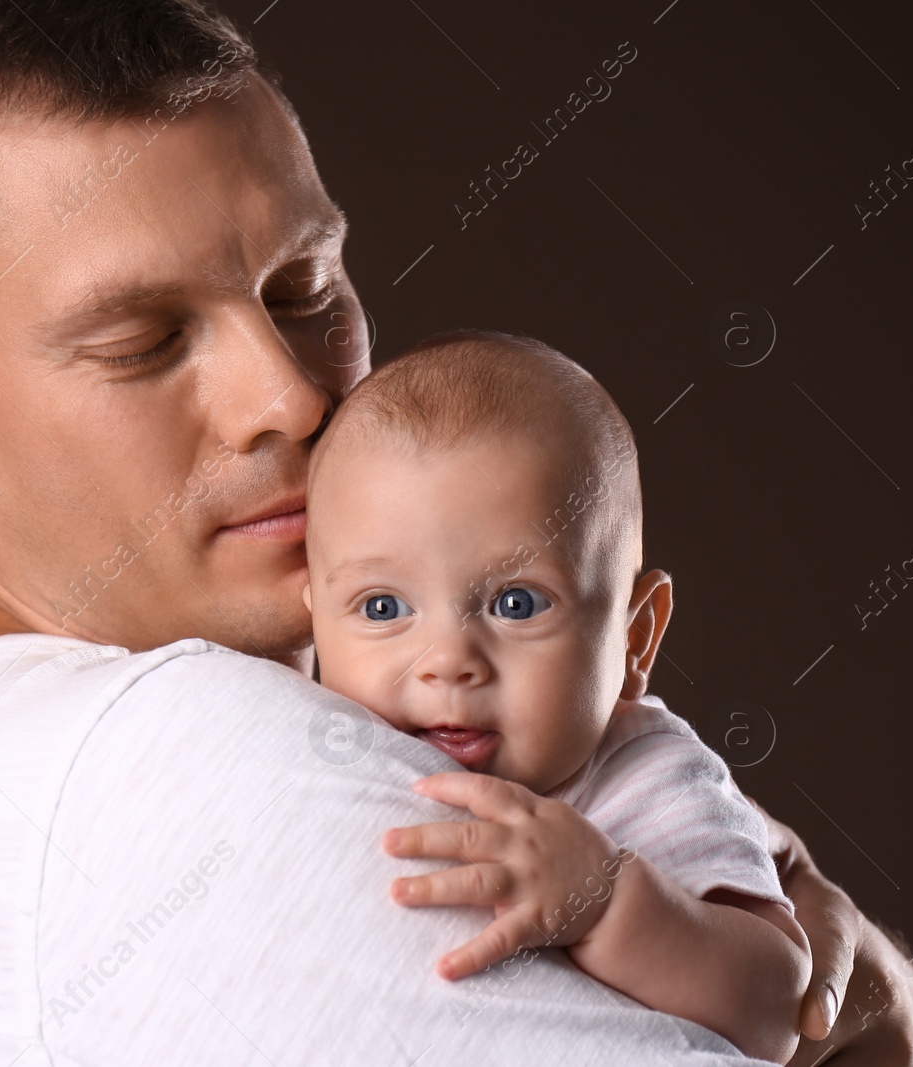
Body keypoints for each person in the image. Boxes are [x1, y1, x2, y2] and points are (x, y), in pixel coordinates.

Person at [0, 1, 913, 1064]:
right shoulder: (185, 761)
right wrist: (873, 998)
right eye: (141, 340)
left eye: (302, 286)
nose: (291, 398)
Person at [303, 331, 809, 1062]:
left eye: (516, 602)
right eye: (383, 607)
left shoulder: (650, 776)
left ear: (635, 640)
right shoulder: (315, 745)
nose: (448, 662)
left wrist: (609, 900)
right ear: (312, 613)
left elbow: (779, 1004)